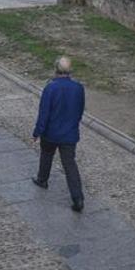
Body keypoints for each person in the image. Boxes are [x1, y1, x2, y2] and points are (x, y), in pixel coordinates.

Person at [31, 56, 86, 212]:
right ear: (70, 71)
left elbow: (44, 114)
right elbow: (79, 110)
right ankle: (78, 198)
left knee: (47, 154)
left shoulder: (50, 88)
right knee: (70, 165)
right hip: (69, 134)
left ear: (55, 69)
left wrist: (37, 132)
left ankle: (42, 179)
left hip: (51, 133)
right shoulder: (78, 88)